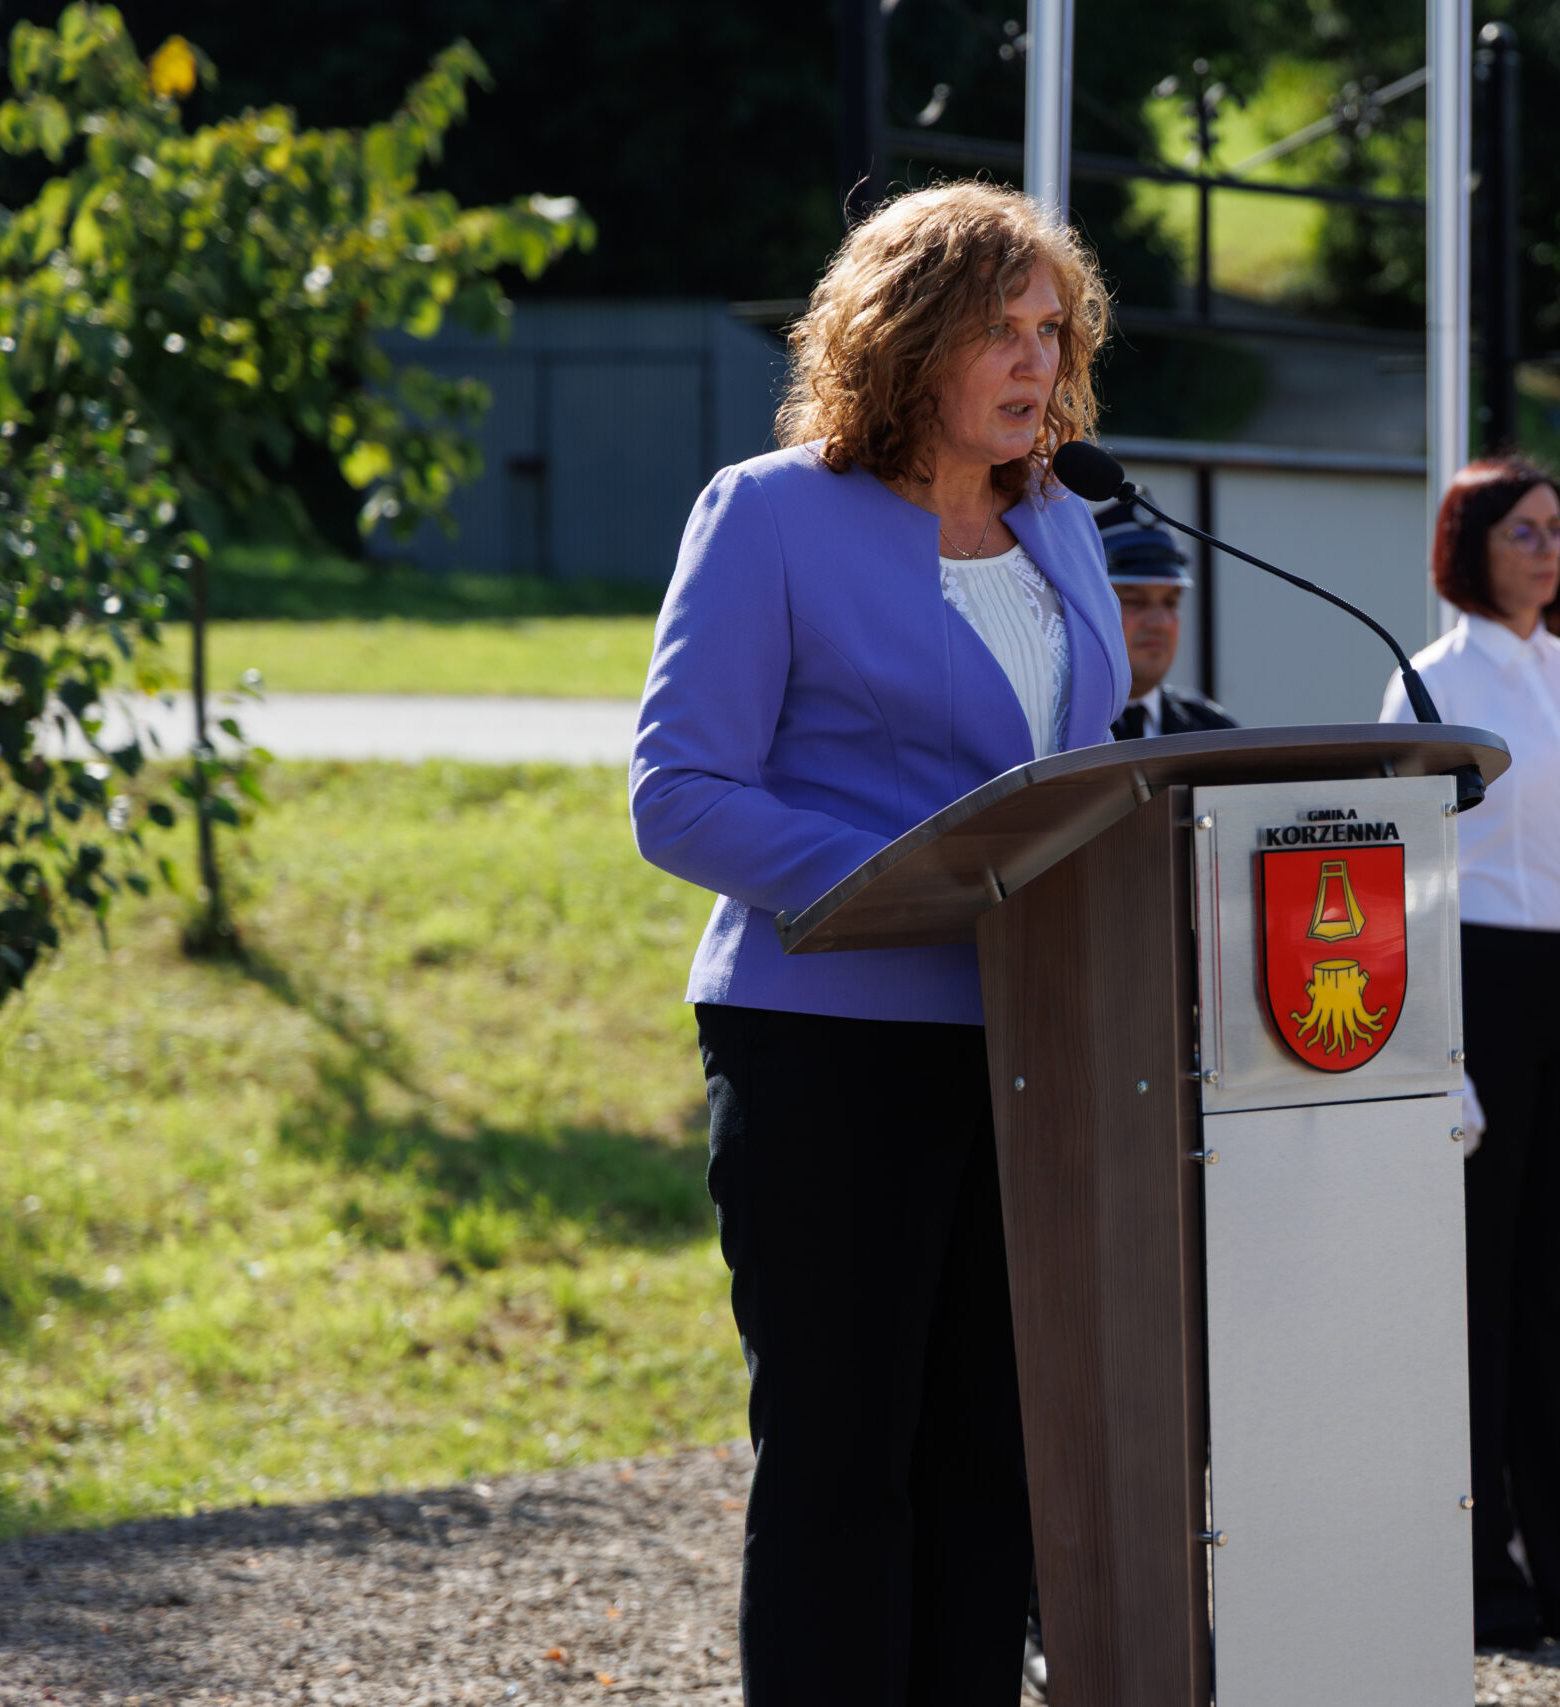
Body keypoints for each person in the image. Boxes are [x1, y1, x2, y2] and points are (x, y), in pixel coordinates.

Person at [627, 182, 1128, 1704]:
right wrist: (918, 880)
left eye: (1054, 329)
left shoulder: (1064, 526)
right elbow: (679, 794)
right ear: (906, 336)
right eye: (1002, 328)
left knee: (989, 1453)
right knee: (846, 1461)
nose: (1038, 361)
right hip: (829, 1044)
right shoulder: (770, 513)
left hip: (1030, 1047)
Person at [1380, 456, 1560, 1650]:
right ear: (1471, 544)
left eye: (1558, 530)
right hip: (1482, 992)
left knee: (1552, 1291)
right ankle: (1479, 1569)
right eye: (1524, 531)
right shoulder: (1429, 683)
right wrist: (1437, 1049)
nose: (1549, 550)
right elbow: (1407, 879)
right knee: (1478, 1296)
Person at [1098, 503, 1236, 737]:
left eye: (1170, 602)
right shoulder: (1054, 728)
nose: (1159, 622)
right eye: (1134, 601)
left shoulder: (1213, 733)